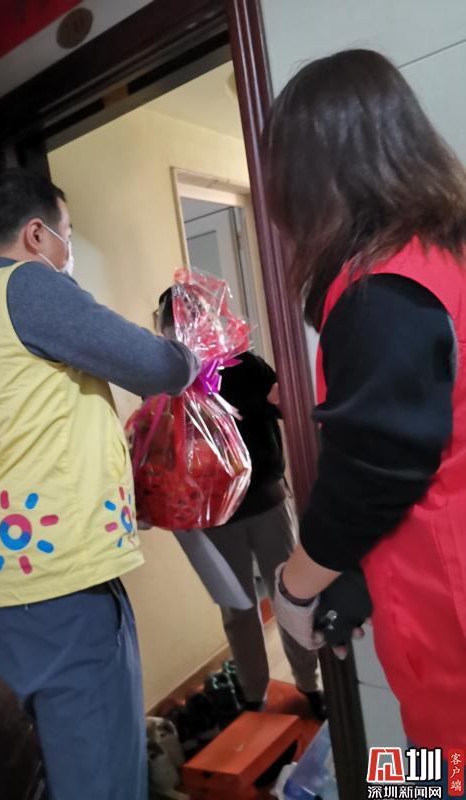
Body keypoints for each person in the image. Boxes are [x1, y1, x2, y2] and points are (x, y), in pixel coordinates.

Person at [0, 168, 200, 800]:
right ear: (36, 235)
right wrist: (188, 351)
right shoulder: (25, 286)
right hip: (65, 587)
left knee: (82, 767)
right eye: (67, 234)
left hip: (13, 587)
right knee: (104, 783)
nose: (68, 250)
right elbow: (156, 367)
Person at [265, 49, 466, 754]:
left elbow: (370, 474)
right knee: (414, 774)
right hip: (428, 595)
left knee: (432, 777)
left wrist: (294, 588)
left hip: (450, 621)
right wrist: (352, 571)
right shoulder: (440, 256)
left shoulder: (384, 291)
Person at [156, 288, 326, 720]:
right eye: (173, 324)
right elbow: (160, 442)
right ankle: (254, 695)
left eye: (187, 320)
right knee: (237, 608)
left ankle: (310, 684)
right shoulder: (169, 380)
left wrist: (267, 399)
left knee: (291, 594)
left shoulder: (244, 364)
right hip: (213, 514)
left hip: (267, 501)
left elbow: (287, 405)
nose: (182, 330)